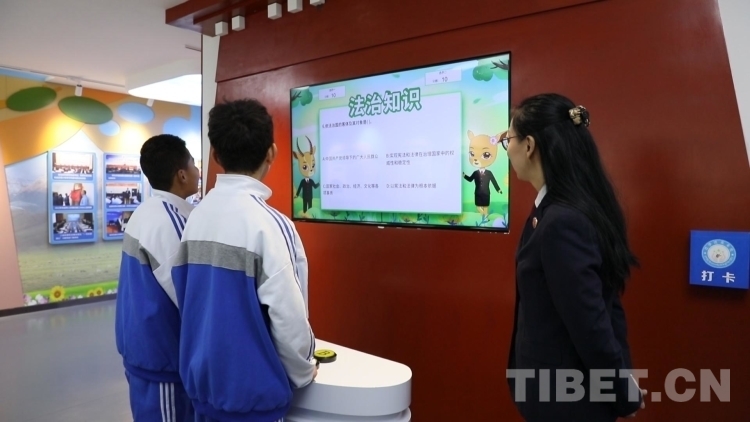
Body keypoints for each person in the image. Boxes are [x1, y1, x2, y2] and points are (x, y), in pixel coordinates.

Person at [171, 99, 317, 422]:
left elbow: (186, 299)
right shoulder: (271, 225)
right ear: (272, 153)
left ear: (215, 155)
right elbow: (290, 319)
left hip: (204, 395)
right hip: (254, 402)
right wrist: (305, 370)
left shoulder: (195, 219)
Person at [503, 94, 644, 421]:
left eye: (508, 139)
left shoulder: (562, 222)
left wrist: (621, 392)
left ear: (529, 146)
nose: (506, 149)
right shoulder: (556, 209)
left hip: (567, 401)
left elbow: (591, 322)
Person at [115, 134, 201, 422]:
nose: (198, 171)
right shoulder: (171, 222)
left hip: (143, 354)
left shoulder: (145, 212)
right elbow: (189, 294)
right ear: (181, 174)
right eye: (194, 164)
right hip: (162, 362)